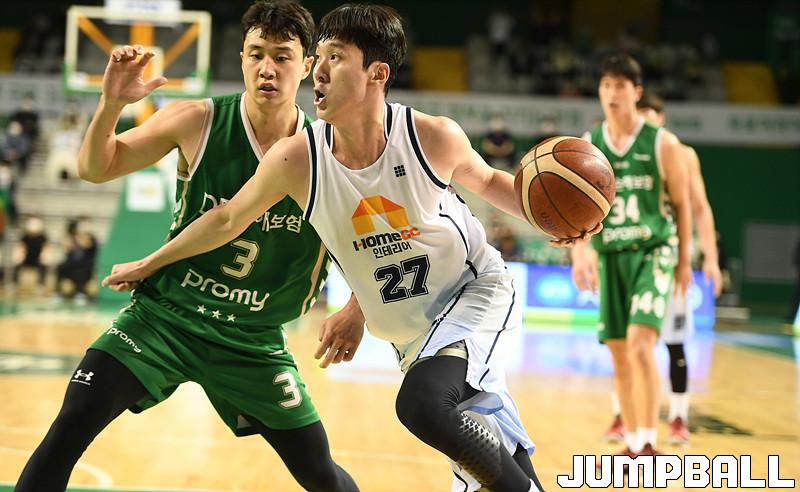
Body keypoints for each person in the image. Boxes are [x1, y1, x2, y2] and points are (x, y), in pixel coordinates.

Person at [103, 5, 600, 491]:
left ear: (377, 73)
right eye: (318, 58)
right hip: (411, 335)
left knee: (423, 406)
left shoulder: (430, 137)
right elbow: (227, 218)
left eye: (336, 58)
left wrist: (559, 220)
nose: (318, 71)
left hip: (473, 295)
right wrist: (151, 263)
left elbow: (492, 182)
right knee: (488, 451)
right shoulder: (298, 159)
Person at [15, 2, 361, 491]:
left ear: (306, 66)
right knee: (71, 422)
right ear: (241, 58)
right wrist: (111, 105)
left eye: (282, 57)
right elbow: (96, 168)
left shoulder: (331, 150)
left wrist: (356, 308)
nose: (267, 68)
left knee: (319, 472)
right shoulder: (198, 120)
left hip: (253, 339)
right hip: (166, 318)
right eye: (256, 54)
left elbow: (372, 239)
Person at [570, 54, 692, 458]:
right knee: (620, 353)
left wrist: (685, 261)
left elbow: (683, 206)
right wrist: (580, 253)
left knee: (641, 346)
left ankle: (650, 443)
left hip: (654, 251)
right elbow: (578, 206)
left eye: (620, 86)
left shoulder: (662, 143)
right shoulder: (590, 144)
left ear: (636, 92)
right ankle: (634, 443)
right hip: (610, 254)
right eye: (606, 85)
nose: (612, 93)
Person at [602, 91, 723, 446]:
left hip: (666, 256)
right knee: (627, 345)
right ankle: (624, 419)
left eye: (650, 115)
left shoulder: (679, 152)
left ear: (661, 119)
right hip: (629, 253)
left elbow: (698, 207)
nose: (644, 122)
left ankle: (678, 417)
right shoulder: (618, 148)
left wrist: (709, 257)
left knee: (673, 342)